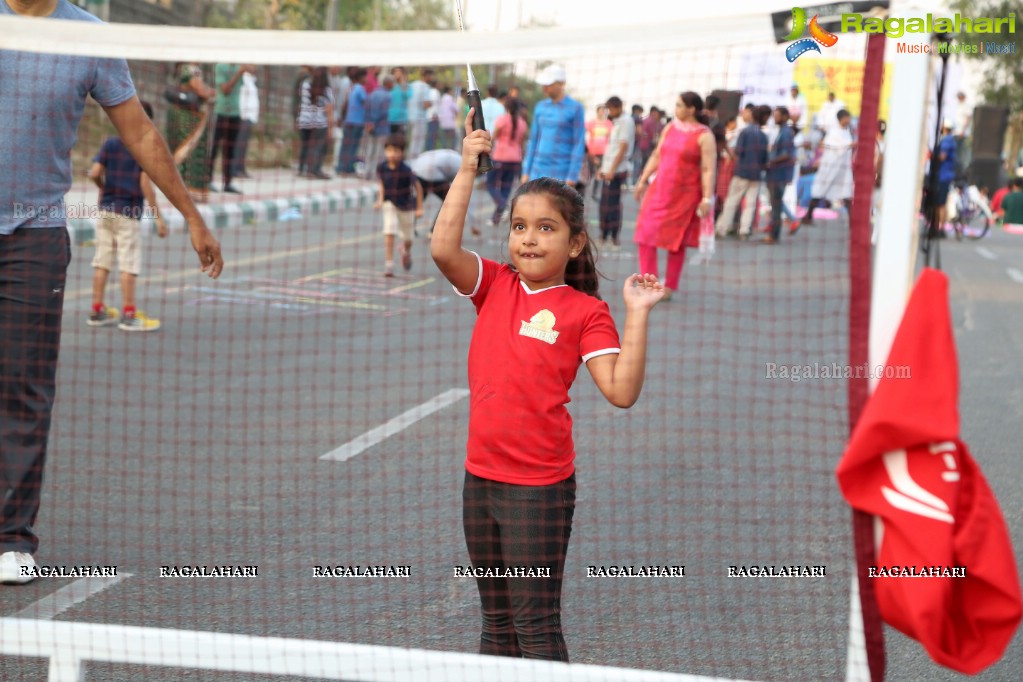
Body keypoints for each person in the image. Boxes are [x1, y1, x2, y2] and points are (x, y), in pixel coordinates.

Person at [0, 0, 223, 585]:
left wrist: (192, 216)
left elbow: (141, 133)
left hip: (35, 234)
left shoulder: (90, 37)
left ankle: (10, 537)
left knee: (23, 387)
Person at [431, 109, 665, 662]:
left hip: (538, 491)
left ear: (575, 243)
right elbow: (443, 249)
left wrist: (638, 313)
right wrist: (468, 166)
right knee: (494, 625)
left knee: (535, 628)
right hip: (480, 481)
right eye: (519, 227)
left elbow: (621, 391)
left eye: (546, 228)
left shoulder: (586, 311)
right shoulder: (494, 285)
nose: (529, 239)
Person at [87, 100, 168, 332]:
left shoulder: (110, 144)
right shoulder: (142, 149)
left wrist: (103, 186)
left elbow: (93, 172)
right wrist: (158, 219)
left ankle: (97, 309)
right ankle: (129, 314)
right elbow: (146, 185)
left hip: (105, 210)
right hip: (128, 213)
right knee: (128, 264)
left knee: (102, 260)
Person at [634, 92, 716, 299]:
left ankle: (669, 287)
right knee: (645, 235)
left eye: (679, 105)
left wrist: (707, 198)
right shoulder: (670, 128)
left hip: (685, 196)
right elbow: (656, 155)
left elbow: (708, 169)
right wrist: (642, 180)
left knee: (676, 242)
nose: (676, 109)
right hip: (659, 190)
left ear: (691, 109)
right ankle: (649, 283)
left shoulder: (704, 135)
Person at [521, 64, 585, 189]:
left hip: (561, 173)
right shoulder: (540, 107)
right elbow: (533, 140)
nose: (544, 88)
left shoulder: (576, 108)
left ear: (561, 83)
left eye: (549, 84)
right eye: (544, 84)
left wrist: (572, 176)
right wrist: (526, 171)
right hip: (537, 171)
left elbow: (578, 143)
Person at [715, 104, 769, 240]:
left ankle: (722, 228)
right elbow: (764, 158)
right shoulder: (763, 136)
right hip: (756, 174)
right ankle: (744, 230)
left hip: (742, 171)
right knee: (750, 204)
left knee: (732, 201)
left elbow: (739, 152)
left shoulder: (745, 132)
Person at [374, 134, 423, 276]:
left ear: (402, 152)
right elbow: (382, 184)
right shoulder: (382, 167)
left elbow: (418, 187)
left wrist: (419, 207)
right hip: (389, 203)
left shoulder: (406, 170)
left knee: (408, 239)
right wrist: (380, 199)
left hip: (406, 206)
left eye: (396, 151)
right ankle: (389, 265)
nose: (392, 154)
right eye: (389, 150)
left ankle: (405, 250)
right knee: (389, 231)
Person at [166, 63, 215, 203]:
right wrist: (211, 93)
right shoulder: (190, 69)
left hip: (186, 116)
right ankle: (187, 190)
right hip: (189, 119)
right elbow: (200, 90)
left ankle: (180, 189)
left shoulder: (186, 69)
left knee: (184, 150)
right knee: (191, 151)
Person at [799, 109, 854, 228]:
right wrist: (850, 145)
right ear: (841, 118)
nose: (849, 120)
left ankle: (852, 222)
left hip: (842, 169)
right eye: (847, 118)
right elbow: (835, 147)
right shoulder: (833, 132)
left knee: (847, 193)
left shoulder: (847, 131)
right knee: (819, 191)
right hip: (830, 167)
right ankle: (808, 216)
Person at [597, 96, 635, 248]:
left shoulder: (626, 122)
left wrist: (611, 169)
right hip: (610, 168)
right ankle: (604, 235)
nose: (610, 112)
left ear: (619, 107)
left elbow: (623, 148)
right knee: (605, 204)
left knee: (611, 205)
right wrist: (603, 168)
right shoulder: (617, 122)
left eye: (611, 109)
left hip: (617, 170)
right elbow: (612, 149)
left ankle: (613, 236)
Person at [209, 63, 253, 194]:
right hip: (222, 112)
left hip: (235, 113)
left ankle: (227, 183)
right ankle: (208, 180)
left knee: (230, 150)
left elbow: (253, 69)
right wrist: (239, 73)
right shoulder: (220, 67)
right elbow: (225, 90)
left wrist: (246, 67)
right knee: (214, 148)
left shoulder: (239, 66)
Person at [486, 97, 529, 225]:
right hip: (515, 158)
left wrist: (487, 150)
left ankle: (503, 206)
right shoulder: (523, 123)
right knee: (506, 187)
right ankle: (496, 218)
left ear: (506, 108)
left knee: (490, 184)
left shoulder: (502, 120)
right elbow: (522, 143)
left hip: (500, 157)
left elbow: (493, 138)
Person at [764, 106, 796, 244]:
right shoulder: (781, 131)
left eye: (777, 115)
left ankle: (774, 235)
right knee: (775, 204)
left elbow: (786, 154)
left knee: (776, 205)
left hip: (779, 174)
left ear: (785, 117)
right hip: (775, 173)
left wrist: (770, 161)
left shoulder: (786, 132)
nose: (775, 118)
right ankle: (773, 232)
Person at [296, 66, 334, 179]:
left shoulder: (305, 85)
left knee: (305, 145)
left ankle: (301, 169)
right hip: (319, 122)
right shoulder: (326, 90)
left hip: (304, 119)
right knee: (318, 146)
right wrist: (330, 128)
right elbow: (329, 110)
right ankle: (314, 170)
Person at [337, 68, 368, 175]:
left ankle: (340, 167)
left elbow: (345, 103)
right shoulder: (360, 89)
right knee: (353, 146)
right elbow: (366, 103)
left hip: (348, 120)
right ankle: (349, 169)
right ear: (361, 77)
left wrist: (342, 118)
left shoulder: (351, 87)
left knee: (345, 145)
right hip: (357, 122)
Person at [364, 75, 394, 180]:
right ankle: (375, 173)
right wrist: (374, 122)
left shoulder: (372, 93)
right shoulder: (387, 96)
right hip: (381, 127)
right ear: (389, 84)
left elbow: (367, 109)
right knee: (379, 151)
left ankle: (366, 172)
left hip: (370, 126)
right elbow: (383, 112)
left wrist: (369, 122)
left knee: (369, 150)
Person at [234, 66, 259, 179]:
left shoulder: (252, 80)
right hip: (243, 116)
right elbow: (241, 98)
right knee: (239, 144)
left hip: (250, 117)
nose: (254, 67)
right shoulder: (242, 78)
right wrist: (242, 115)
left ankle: (241, 168)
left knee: (244, 145)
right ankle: (236, 169)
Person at [585, 105, 613, 200]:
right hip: (591, 151)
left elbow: (611, 138)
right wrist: (587, 150)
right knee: (589, 172)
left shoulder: (608, 123)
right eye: (601, 111)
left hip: (603, 152)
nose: (602, 113)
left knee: (599, 172)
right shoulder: (591, 123)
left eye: (604, 111)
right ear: (597, 112)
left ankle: (595, 193)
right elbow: (586, 136)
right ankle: (584, 191)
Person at [406, 68, 436, 158]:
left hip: (410, 116)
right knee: (419, 142)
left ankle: (409, 160)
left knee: (411, 141)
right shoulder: (425, 87)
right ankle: (415, 163)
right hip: (420, 118)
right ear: (427, 76)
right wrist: (431, 103)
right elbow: (425, 104)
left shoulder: (412, 85)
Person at [388, 66, 410, 135]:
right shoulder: (389, 85)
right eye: (396, 72)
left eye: (400, 72)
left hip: (402, 119)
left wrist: (403, 81)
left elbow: (407, 96)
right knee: (390, 142)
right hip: (390, 118)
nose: (397, 74)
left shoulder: (407, 86)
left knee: (401, 142)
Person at [437, 84, 459, 151]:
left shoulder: (442, 98)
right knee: (454, 137)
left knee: (444, 137)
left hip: (443, 120)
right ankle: (452, 150)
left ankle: (443, 149)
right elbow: (456, 109)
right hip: (450, 120)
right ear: (449, 91)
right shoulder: (450, 98)